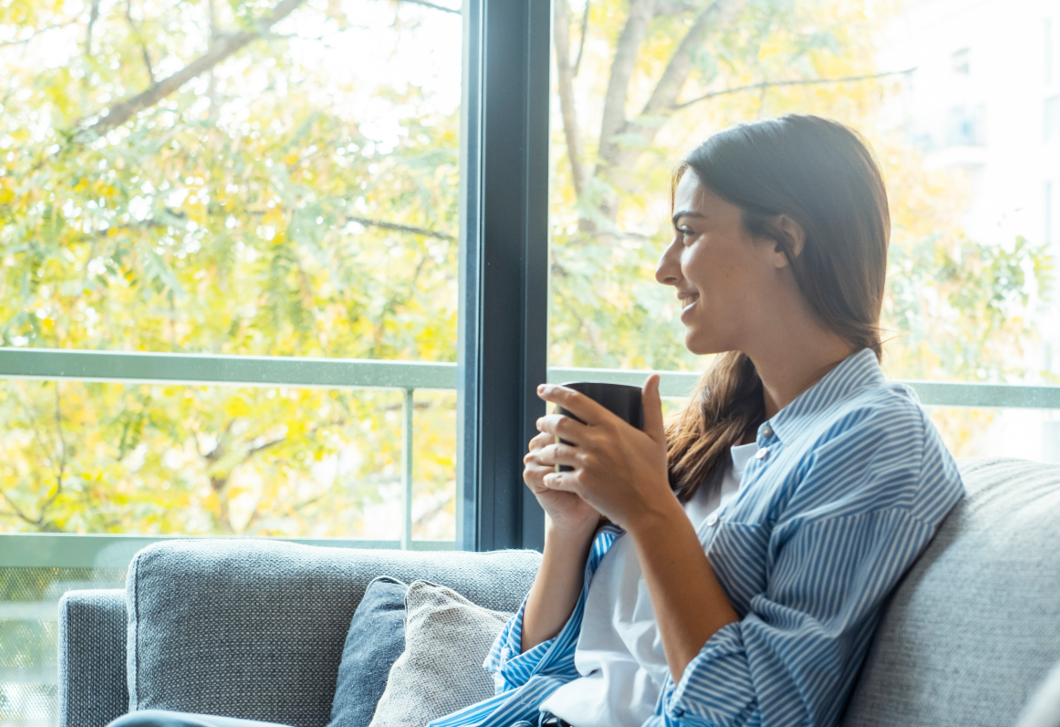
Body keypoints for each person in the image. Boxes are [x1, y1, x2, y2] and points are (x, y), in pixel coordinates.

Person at [430, 114, 964, 727]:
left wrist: (649, 509)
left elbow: (751, 716)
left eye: (689, 233)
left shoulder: (875, 439)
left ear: (782, 241)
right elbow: (526, 677)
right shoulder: (720, 432)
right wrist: (571, 529)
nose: (665, 268)